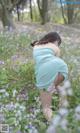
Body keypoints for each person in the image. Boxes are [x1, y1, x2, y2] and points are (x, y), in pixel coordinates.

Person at [31, 32, 68, 122]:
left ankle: (56, 127)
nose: (58, 45)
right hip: (63, 68)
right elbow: (56, 62)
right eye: (58, 43)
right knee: (55, 86)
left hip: (45, 69)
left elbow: (40, 62)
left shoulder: (36, 45)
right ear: (56, 41)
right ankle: (63, 111)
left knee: (46, 107)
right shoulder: (56, 48)